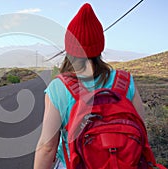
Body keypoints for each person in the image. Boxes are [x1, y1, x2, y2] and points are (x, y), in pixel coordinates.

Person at [33, 3, 145, 169]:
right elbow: (141, 130)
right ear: (100, 46)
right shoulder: (125, 81)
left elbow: (47, 147)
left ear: (69, 48)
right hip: (123, 163)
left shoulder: (59, 87)